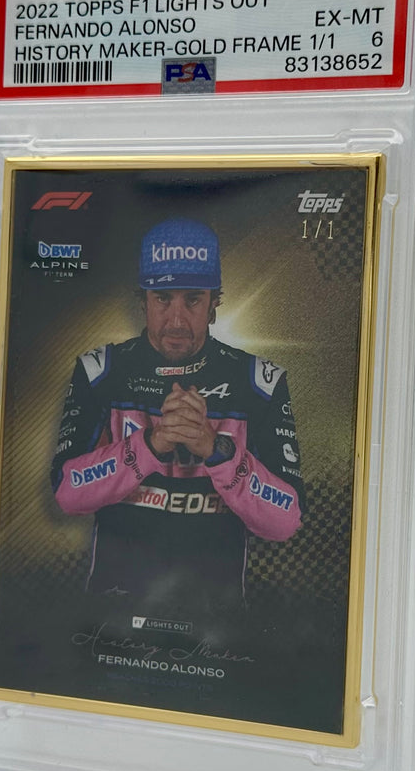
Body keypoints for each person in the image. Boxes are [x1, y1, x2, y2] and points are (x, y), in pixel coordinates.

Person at [50, 217, 305, 615]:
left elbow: (286, 519)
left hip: (216, 622)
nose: (176, 321)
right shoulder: (100, 372)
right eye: (163, 298)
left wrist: (217, 451)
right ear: (143, 301)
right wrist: (149, 446)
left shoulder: (259, 383)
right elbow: (67, 493)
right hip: (113, 616)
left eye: (193, 300)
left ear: (214, 304)